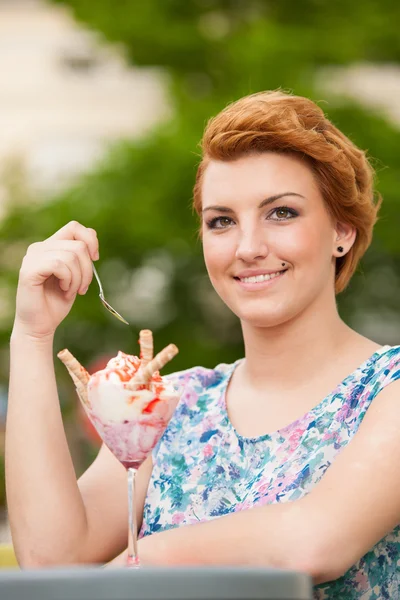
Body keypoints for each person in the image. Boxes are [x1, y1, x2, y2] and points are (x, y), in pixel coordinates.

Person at [6, 90, 400, 599]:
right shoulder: (173, 404)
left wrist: (137, 562)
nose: (249, 247)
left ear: (342, 230)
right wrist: (31, 334)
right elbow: (51, 558)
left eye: (281, 213)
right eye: (222, 221)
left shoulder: (388, 391)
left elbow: (312, 543)